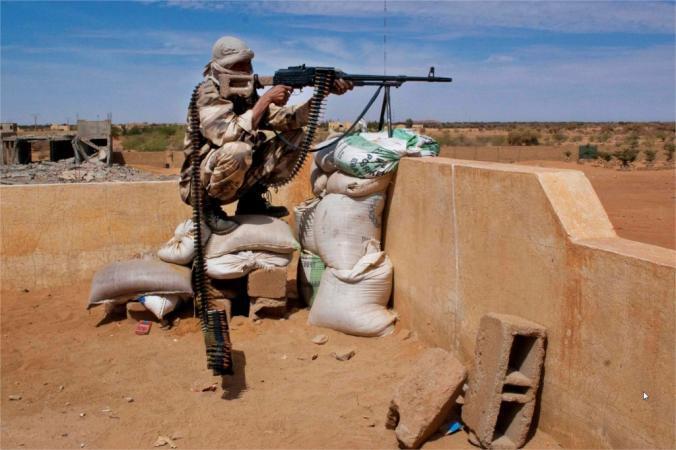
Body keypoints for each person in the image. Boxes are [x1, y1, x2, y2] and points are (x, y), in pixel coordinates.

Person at [180, 36, 352, 233]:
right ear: (220, 67)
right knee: (238, 149)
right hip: (199, 185)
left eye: (248, 64)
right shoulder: (207, 93)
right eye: (239, 65)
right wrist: (266, 99)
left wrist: (320, 94)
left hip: (236, 172)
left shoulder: (244, 92)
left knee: (297, 137)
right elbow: (227, 134)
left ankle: (251, 200)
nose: (247, 70)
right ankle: (208, 210)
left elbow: (285, 120)